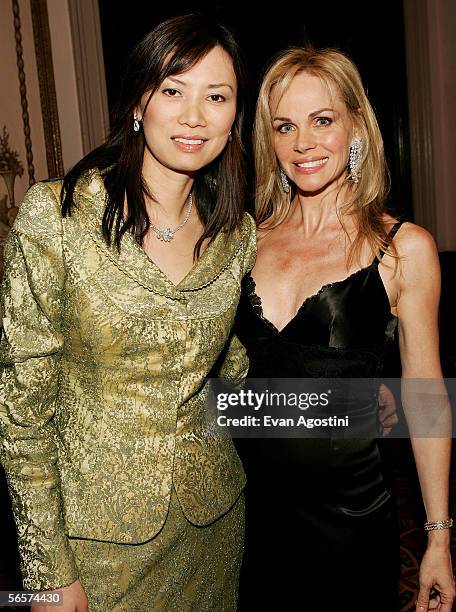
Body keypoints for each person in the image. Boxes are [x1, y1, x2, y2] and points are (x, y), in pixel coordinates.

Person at [0, 14, 256, 611]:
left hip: (213, 522)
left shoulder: (235, 234)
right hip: (93, 543)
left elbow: (228, 366)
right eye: (174, 90)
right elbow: (20, 411)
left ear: (233, 117)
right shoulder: (58, 218)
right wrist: (45, 571)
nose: (195, 116)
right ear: (140, 102)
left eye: (216, 96)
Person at [234, 46, 455, 611]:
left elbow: (424, 397)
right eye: (285, 126)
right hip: (248, 522)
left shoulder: (403, 249)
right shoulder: (242, 242)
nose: (303, 144)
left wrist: (438, 536)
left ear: (356, 125)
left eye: (322, 120)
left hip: (350, 525)